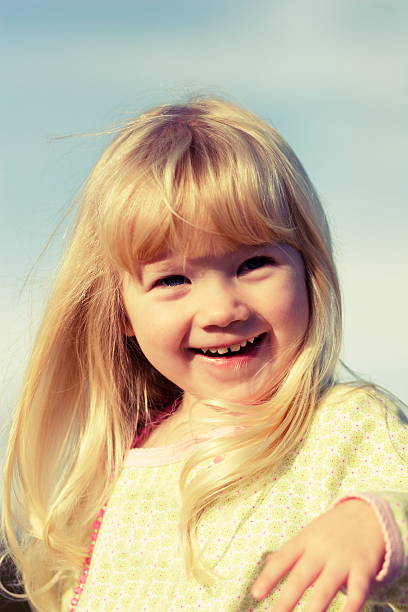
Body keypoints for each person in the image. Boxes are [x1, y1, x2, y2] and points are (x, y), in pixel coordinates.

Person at [1, 97, 407, 612]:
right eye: (173, 279)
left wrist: (380, 521)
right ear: (121, 312)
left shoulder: (344, 426)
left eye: (254, 263)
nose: (220, 309)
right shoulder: (120, 465)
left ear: (308, 272)